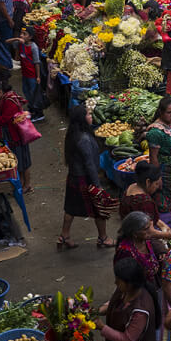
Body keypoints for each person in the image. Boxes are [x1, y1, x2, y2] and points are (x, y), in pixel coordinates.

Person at [98, 255, 159, 341]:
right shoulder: (124, 290)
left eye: (118, 280)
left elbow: (128, 339)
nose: (115, 283)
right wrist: (100, 310)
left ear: (130, 283)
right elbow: (113, 302)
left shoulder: (141, 310)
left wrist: (102, 327)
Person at [59, 104, 114, 250]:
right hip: (84, 179)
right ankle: (103, 238)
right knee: (98, 209)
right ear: (82, 119)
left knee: (70, 208)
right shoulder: (84, 139)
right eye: (88, 114)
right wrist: (97, 185)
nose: (91, 116)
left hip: (74, 176)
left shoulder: (73, 135)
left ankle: (64, 236)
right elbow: (89, 164)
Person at [118, 163, 171, 240]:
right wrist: (168, 235)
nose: (158, 187)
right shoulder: (145, 202)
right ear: (148, 182)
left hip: (127, 232)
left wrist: (163, 225)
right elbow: (150, 232)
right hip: (137, 239)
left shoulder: (131, 187)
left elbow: (149, 216)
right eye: (156, 183)